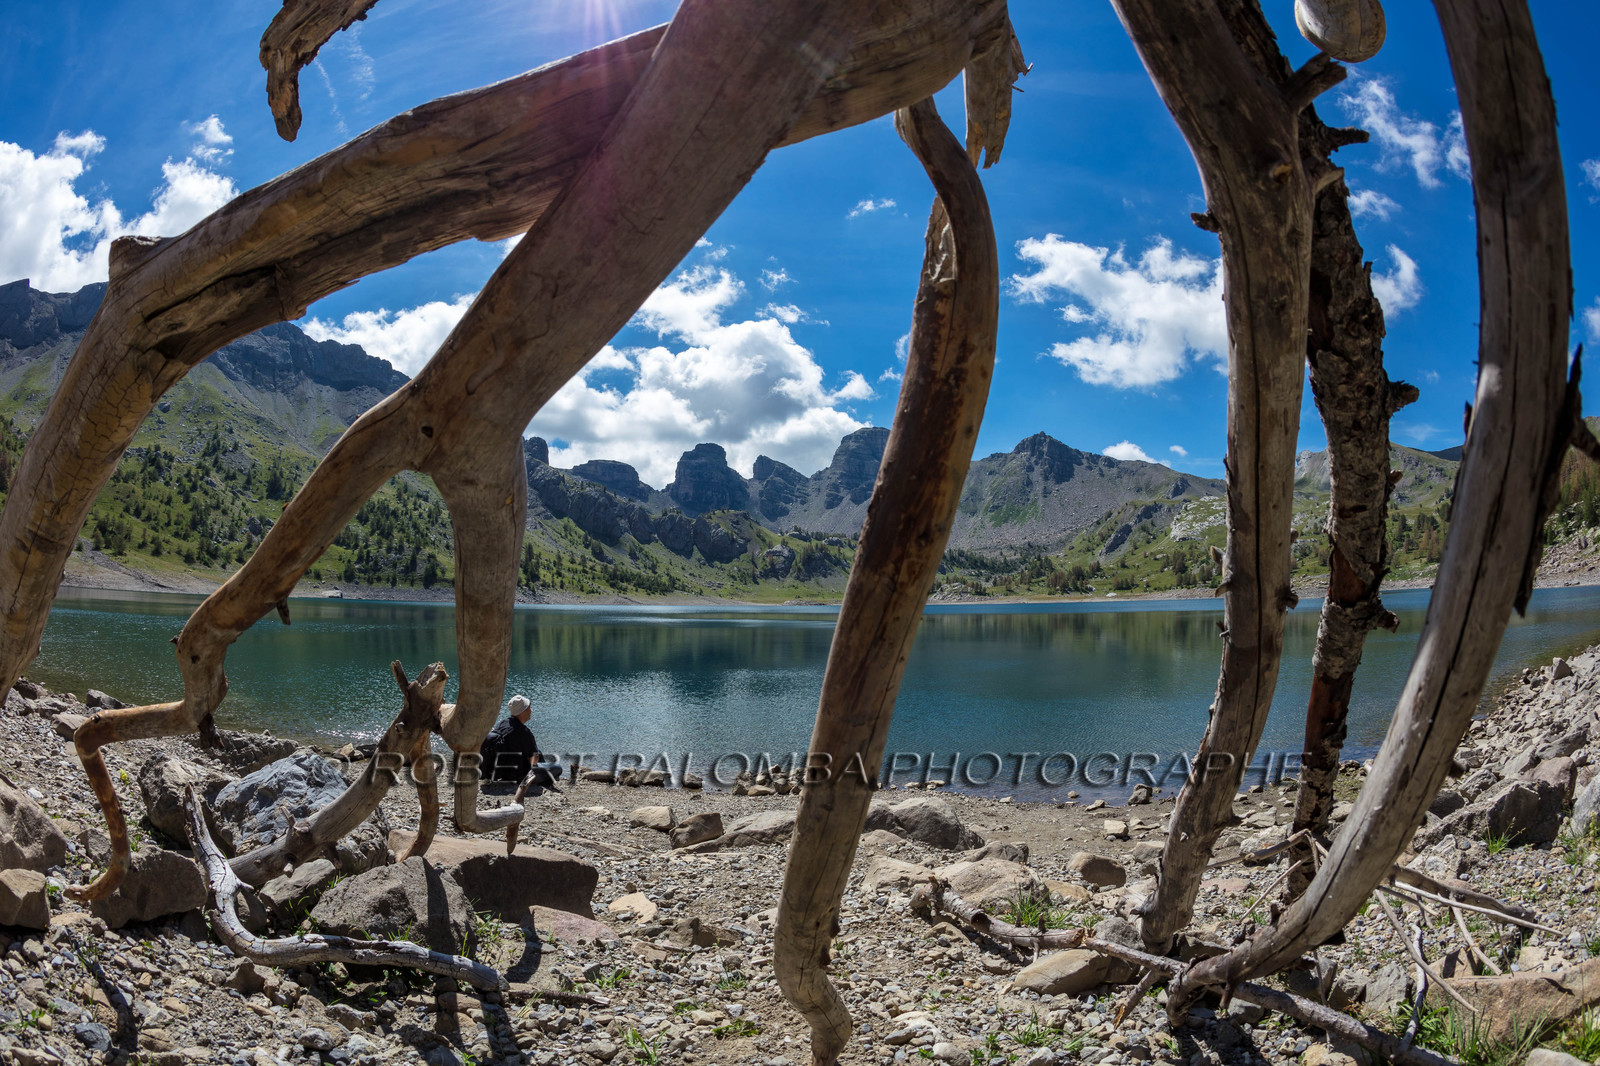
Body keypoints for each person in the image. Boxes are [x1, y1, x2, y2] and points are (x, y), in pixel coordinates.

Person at [479, 695, 562, 786]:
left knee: (537, 751)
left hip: (501, 771)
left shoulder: (502, 723)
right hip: (517, 776)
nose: (531, 711)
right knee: (557, 767)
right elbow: (534, 761)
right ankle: (541, 780)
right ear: (523, 711)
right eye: (529, 708)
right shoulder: (523, 732)